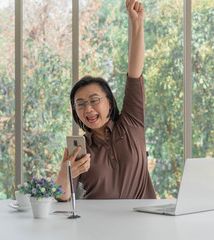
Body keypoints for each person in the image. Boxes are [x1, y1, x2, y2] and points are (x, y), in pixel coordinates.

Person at [56, 0, 156, 200]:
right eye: (81, 104)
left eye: (94, 101)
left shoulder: (131, 123)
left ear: (109, 102)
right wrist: (67, 172)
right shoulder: (81, 148)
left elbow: (135, 73)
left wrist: (137, 25)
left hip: (142, 222)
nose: (88, 109)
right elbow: (62, 196)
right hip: (96, 226)